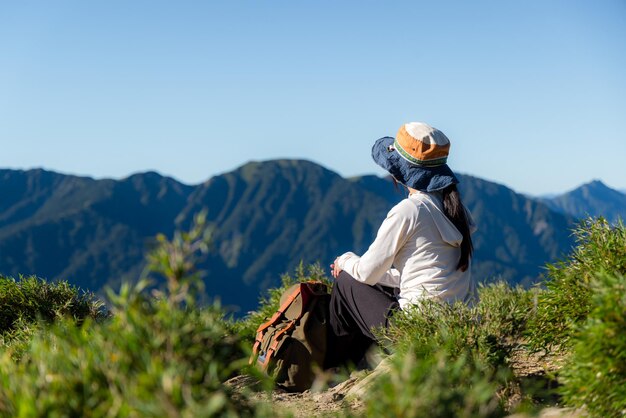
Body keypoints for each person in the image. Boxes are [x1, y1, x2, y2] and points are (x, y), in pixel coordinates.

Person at [326, 122, 476, 367]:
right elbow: (418, 274)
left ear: (399, 172)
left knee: (347, 281)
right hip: (457, 330)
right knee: (379, 285)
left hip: (414, 333)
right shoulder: (456, 209)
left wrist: (344, 260)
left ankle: (332, 369)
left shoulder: (409, 211)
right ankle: (361, 362)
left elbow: (366, 272)